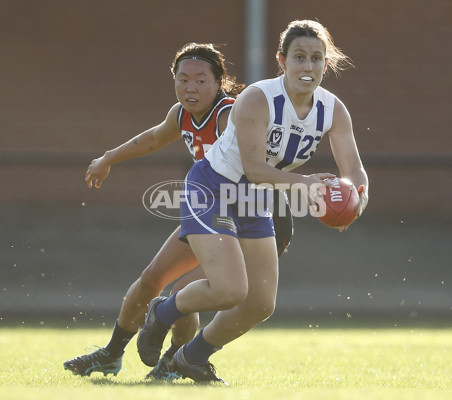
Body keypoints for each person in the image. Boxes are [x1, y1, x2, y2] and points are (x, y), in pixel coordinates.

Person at [136, 20, 369, 385]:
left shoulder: (333, 109)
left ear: (326, 63)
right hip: (213, 187)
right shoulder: (258, 98)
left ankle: (190, 358)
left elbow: (353, 170)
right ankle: (162, 313)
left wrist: (355, 200)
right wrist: (306, 183)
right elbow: (255, 168)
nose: (307, 67)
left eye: (316, 59)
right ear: (282, 60)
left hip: (254, 196)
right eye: (299, 57)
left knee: (261, 304)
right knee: (231, 290)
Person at [63, 43, 293, 380]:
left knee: (189, 293)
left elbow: (264, 169)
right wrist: (108, 158)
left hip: (248, 217)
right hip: (211, 212)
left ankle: (174, 362)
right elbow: (153, 139)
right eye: (182, 79)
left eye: (201, 80)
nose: (190, 87)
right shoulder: (181, 114)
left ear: (220, 82)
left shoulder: (230, 115)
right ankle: (112, 354)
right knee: (151, 281)